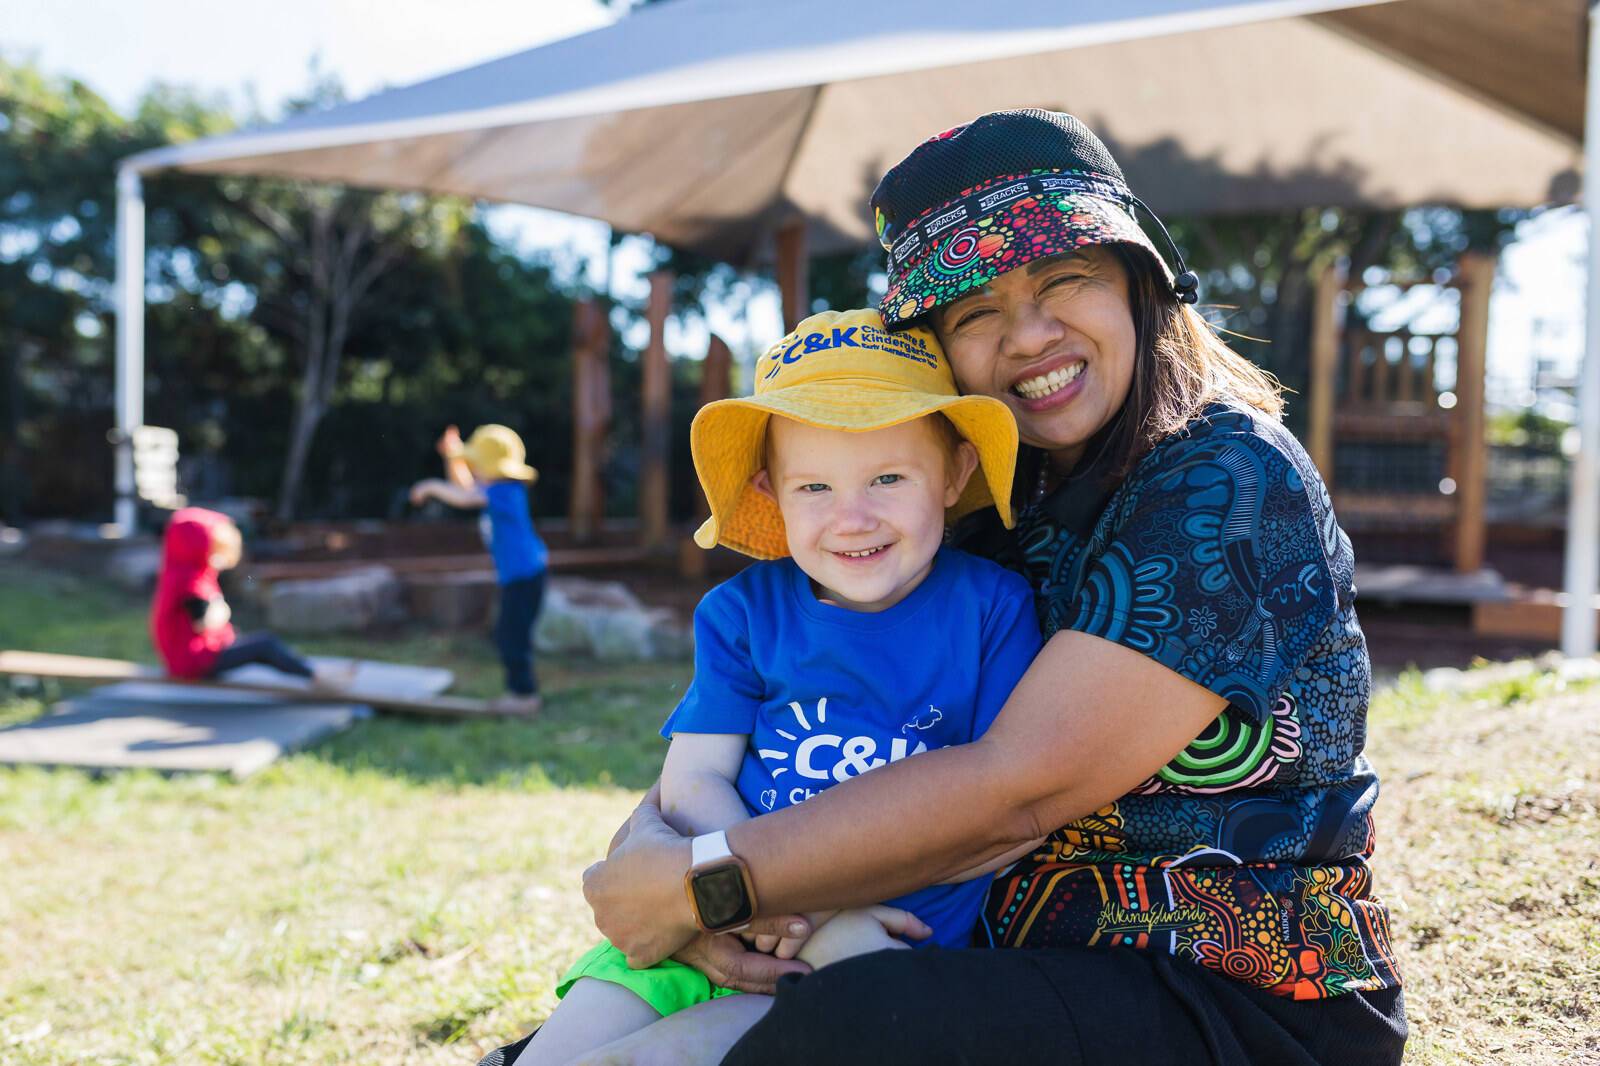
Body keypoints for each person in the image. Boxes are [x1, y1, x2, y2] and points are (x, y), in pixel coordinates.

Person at [561, 109, 1407, 1065]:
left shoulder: (1227, 479)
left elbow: (1018, 787)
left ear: (1142, 281)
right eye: (973, 313)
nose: (1028, 336)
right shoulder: (974, 502)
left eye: (1065, 279)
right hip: (966, 951)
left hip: (1226, 994)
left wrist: (714, 882)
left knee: (855, 1028)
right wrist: (666, 851)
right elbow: (794, 714)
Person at [512, 309, 1042, 1066]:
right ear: (771, 493)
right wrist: (753, 898)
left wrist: (814, 907)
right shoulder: (742, 612)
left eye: (888, 477)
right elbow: (693, 780)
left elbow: (999, 813)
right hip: (707, 920)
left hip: (867, 936)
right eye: (815, 486)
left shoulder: (992, 608)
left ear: (955, 472)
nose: (851, 517)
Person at [411, 424, 547, 715]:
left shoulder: (505, 491)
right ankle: (519, 691)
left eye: (476, 464)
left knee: (512, 635)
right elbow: (465, 488)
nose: (473, 470)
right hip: (519, 576)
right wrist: (454, 457)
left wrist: (430, 486)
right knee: (508, 633)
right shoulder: (496, 487)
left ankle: (524, 696)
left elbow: (463, 497)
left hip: (525, 576)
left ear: (491, 466)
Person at [149, 506, 321, 681]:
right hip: (194, 661)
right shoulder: (189, 580)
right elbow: (203, 622)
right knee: (265, 645)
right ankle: (315, 677)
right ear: (197, 547)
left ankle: (301, 667)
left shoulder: (180, 573)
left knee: (258, 647)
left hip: (191, 657)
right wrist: (223, 611)